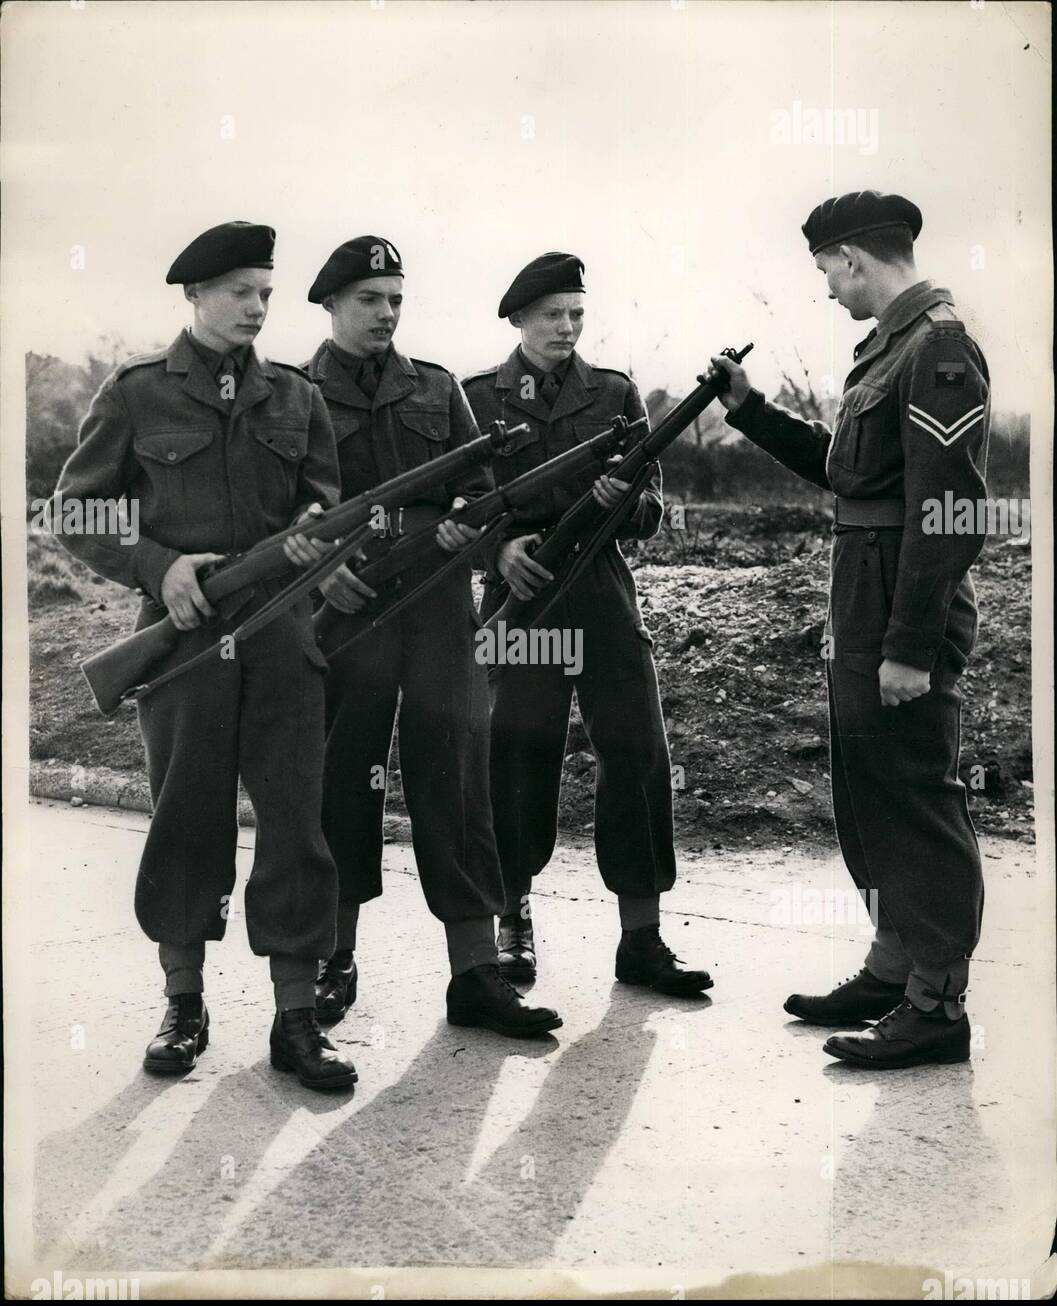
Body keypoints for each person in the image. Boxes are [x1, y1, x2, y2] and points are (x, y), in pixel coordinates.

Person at [53, 221, 357, 1089]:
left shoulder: (297, 398)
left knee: (296, 823)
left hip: (282, 638)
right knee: (187, 818)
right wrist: (159, 563)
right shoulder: (139, 392)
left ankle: (297, 1018)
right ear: (195, 297)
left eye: (265, 293)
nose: (257, 308)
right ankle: (184, 1005)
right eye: (239, 293)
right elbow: (74, 512)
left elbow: (324, 502)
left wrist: (313, 537)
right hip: (182, 639)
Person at [714, 192, 989, 1069]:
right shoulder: (888, 350)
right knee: (867, 790)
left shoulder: (937, 347)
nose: (829, 290)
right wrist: (749, 409)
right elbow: (848, 474)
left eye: (828, 271)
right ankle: (892, 967)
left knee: (913, 794)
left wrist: (911, 643)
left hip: (898, 609)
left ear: (855, 257)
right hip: (862, 599)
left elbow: (944, 511)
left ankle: (937, 1005)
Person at [305, 235, 562, 1039]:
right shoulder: (295, 394)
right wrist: (319, 574)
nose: (385, 314)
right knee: (343, 775)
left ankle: (475, 973)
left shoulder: (437, 389)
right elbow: (287, 515)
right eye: (368, 301)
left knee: (456, 776)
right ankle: (329, 959)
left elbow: (482, 492)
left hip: (438, 610)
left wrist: (469, 531)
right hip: (347, 614)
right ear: (330, 305)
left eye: (394, 301)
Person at [462, 252, 713, 996]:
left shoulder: (614, 394)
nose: (566, 328)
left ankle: (642, 939)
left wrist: (617, 504)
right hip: (523, 597)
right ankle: (512, 926)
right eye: (551, 316)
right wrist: (498, 550)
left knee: (636, 751)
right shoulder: (477, 399)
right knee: (513, 757)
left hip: (600, 594)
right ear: (517, 320)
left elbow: (650, 511)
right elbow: (456, 508)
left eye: (575, 314)